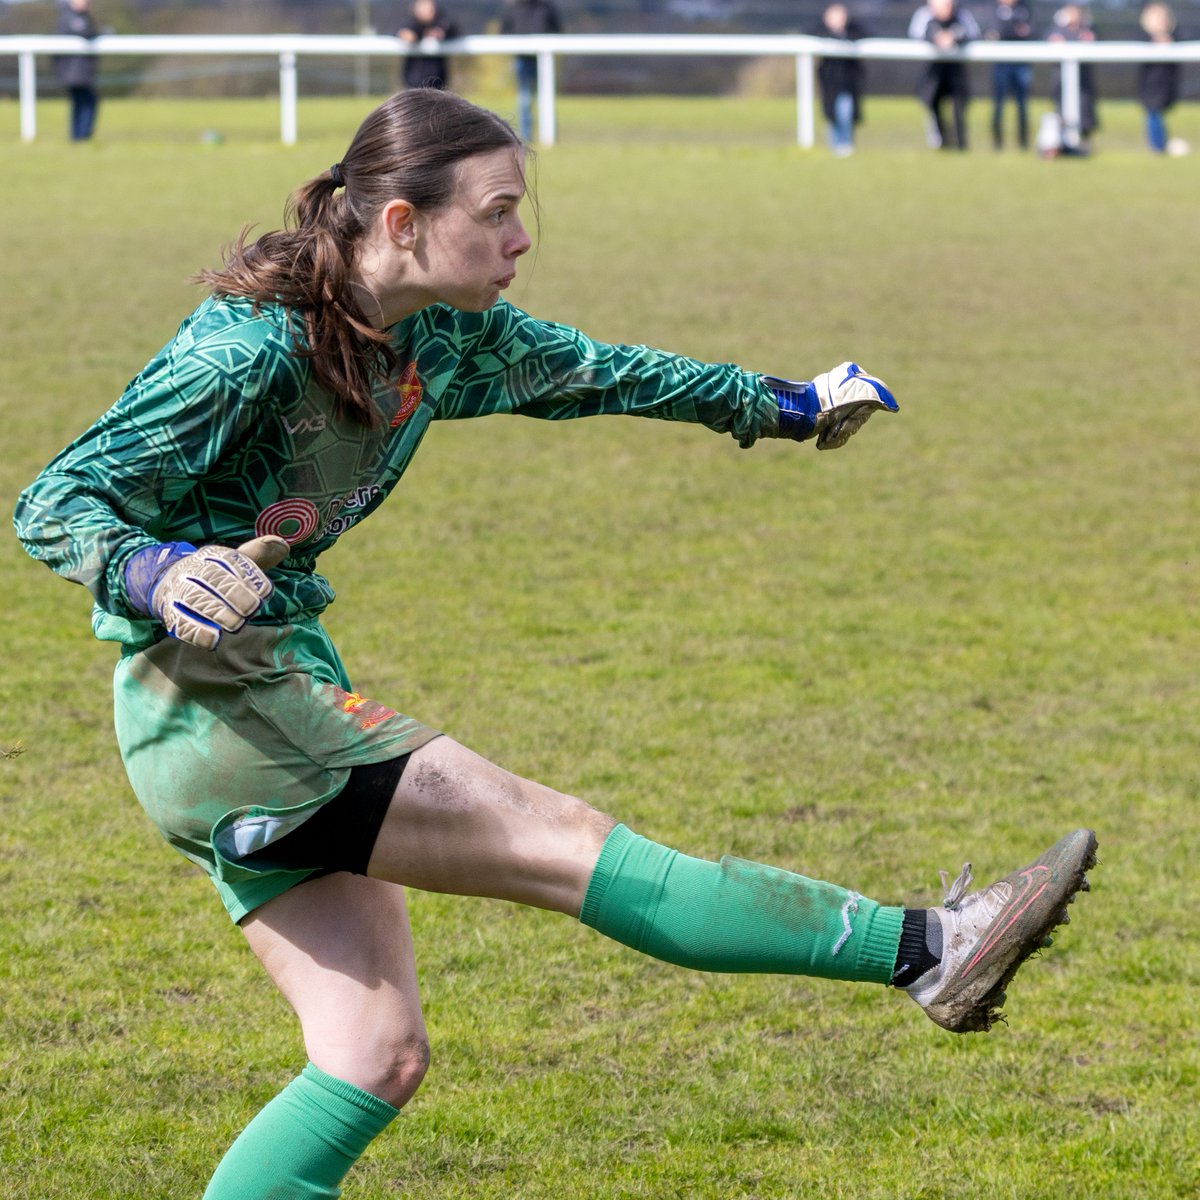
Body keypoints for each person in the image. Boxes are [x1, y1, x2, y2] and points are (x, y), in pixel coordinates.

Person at [13, 89, 1097, 1200]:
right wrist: (155, 571)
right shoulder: (242, 357)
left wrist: (783, 404)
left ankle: (931, 953)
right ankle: (927, 948)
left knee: (371, 1057)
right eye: (499, 210)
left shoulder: (436, 335)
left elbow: (601, 372)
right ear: (399, 222)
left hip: (252, 700)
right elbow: (55, 498)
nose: (522, 236)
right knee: (563, 838)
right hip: (224, 712)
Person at [908, 0, 982, 150]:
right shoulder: (924, 15)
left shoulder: (962, 15)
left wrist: (954, 36)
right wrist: (936, 37)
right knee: (933, 103)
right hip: (933, 71)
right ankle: (941, 141)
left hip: (956, 70)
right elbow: (915, 35)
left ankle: (960, 142)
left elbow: (973, 33)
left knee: (958, 106)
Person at [499, 0, 560, 142]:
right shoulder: (513, 7)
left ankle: (549, 134)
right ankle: (526, 136)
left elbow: (557, 29)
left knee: (545, 96)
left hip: (544, 58)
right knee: (525, 98)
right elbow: (504, 31)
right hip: (522, 57)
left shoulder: (546, 7)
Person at [814, 3, 868, 157]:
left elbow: (867, 34)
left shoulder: (853, 30)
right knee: (832, 115)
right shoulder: (821, 31)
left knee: (846, 112)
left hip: (848, 82)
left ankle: (846, 144)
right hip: (829, 83)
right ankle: (835, 147)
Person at [1046, 4, 1099, 155]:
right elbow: (1049, 39)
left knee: (1085, 113)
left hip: (1083, 81)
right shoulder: (1057, 28)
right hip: (1061, 81)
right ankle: (1061, 145)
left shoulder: (1088, 28)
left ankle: (1084, 144)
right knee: (1060, 112)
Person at [987, 0, 1034, 150]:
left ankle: (1023, 143)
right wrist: (1013, 30)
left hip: (1021, 63)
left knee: (1022, 105)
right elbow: (993, 33)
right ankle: (997, 143)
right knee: (998, 105)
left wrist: (1006, 31)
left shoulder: (1025, 8)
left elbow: (1031, 31)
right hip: (1001, 63)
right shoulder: (994, 9)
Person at [1136, 3, 1180, 154]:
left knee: (1157, 115)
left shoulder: (1174, 37)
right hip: (1150, 86)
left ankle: (1160, 144)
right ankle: (1157, 146)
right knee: (1153, 114)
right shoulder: (1144, 39)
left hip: (1166, 85)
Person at [54, 0, 100, 142]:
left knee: (81, 102)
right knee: (85, 102)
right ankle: (80, 137)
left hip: (79, 71)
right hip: (74, 72)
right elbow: (87, 33)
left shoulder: (81, 16)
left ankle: (79, 137)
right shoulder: (72, 18)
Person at [396, 0, 457, 91]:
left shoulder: (442, 23)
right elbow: (403, 32)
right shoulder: (410, 24)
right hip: (413, 81)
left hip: (438, 82)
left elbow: (452, 29)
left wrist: (439, 33)